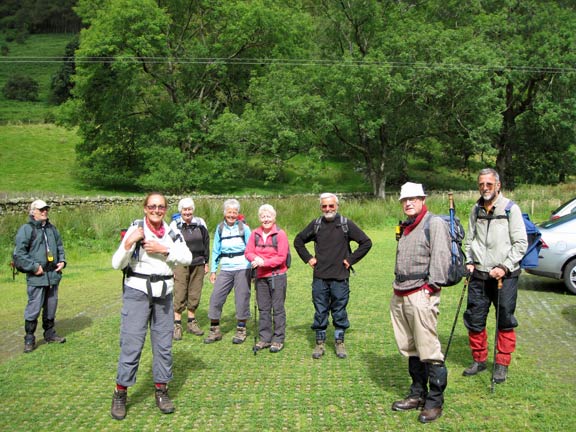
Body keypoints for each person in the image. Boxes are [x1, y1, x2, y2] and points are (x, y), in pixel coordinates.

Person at [110, 193, 192, 420]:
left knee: (163, 344)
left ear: (166, 209)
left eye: (161, 207)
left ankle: (161, 390)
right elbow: (117, 263)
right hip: (137, 292)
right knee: (131, 344)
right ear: (145, 208)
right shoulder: (136, 228)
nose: (157, 210)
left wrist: (163, 249)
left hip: (164, 294)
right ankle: (120, 393)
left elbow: (187, 257)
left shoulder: (172, 231)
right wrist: (128, 243)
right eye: (152, 206)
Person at [389, 182, 450, 424]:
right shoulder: (406, 226)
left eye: (413, 198)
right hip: (400, 292)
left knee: (429, 349)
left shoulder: (433, 223)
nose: (408, 203)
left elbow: (441, 256)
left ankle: (435, 402)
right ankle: (417, 394)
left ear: (423, 199)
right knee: (410, 346)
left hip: (420, 293)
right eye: (405, 200)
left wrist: (430, 288)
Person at [462, 168, 527, 384]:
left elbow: (521, 244)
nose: (485, 188)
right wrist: (469, 261)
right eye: (481, 184)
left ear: (498, 185)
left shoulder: (510, 209)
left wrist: (505, 267)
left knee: (505, 320)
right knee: (474, 318)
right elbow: (469, 240)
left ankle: (501, 365)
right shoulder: (475, 209)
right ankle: (479, 360)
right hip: (479, 275)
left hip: (504, 277)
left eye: (489, 184)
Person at [293, 192, 372, 359]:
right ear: (321, 207)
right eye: (324, 206)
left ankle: (339, 342)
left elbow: (366, 242)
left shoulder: (345, 224)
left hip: (340, 277)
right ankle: (320, 343)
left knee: (339, 310)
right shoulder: (316, 224)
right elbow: (298, 240)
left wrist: (350, 260)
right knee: (320, 310)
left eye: (331, 205)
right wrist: (309, 258)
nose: (328, 209)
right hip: (320, 277)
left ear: (337, 206)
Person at [13, 199, 67, 354]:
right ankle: (29, 338)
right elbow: (19, 253)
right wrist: (34, 267)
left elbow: (59, 246)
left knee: (51, 306)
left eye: (46, 209)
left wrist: (62, 261)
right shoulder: (26, 229)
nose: (45, 211)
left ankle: (50, 334)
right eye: (41, 209)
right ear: (33, 212)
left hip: (53, 275)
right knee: (34, 307)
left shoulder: (52, 229)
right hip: (37, 276)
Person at [205, 199, 252, 344]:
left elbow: (251, 249)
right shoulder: (220, 228)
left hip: (242, 267)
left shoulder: (244, 228)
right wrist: (213, 271)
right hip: (225, 267)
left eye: (234, 212)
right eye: (229, 212)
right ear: (224, 213)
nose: (232, 215)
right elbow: (216, 250)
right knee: (216, 298)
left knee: (241, 298)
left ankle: (241, 330)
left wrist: (253, 270)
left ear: (238, 214)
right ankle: (214, 331)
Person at [244, 204, 290, 353]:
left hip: (277, 276)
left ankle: (278, 339)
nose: (266, 219)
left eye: (269, 216)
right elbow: (248, 252)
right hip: (260, 276)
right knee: (263, 308)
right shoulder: (254, 233)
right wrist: (255, 258)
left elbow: (281, 257)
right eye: (263, 216)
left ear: (274, 218)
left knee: (277, 308)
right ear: (259, 218)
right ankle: (264, 338)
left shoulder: (280, 234)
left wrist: (264, 262)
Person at [169, 197, 210, 340]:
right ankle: (177, 325)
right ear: (180, 211)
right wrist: (172, 266)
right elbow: (171, 246)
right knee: (180, 292)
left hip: (198, 262)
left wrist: (206, 262)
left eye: (189, 209)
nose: (187, 212)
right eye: (185, 209)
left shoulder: (200, 223)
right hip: (181, 264)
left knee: (195, 293)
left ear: (193, 210)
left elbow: (206, 242)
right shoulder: (174, 225)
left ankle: (192, 323)